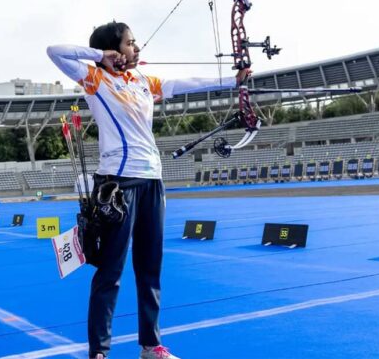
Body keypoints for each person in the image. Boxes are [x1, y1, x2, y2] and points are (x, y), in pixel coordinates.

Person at [47, 22, 250, 359]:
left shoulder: (141, 81)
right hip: (117, 183)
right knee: (110, 271)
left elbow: (180, 84)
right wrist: (101, 57)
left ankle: (150, 345)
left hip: (152, 180)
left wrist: (232, 80)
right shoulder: (97, 80)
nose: (136, 47)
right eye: (130, 42)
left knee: (149, 267)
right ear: (114, 49)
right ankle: (99, 351)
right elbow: (54, 51)